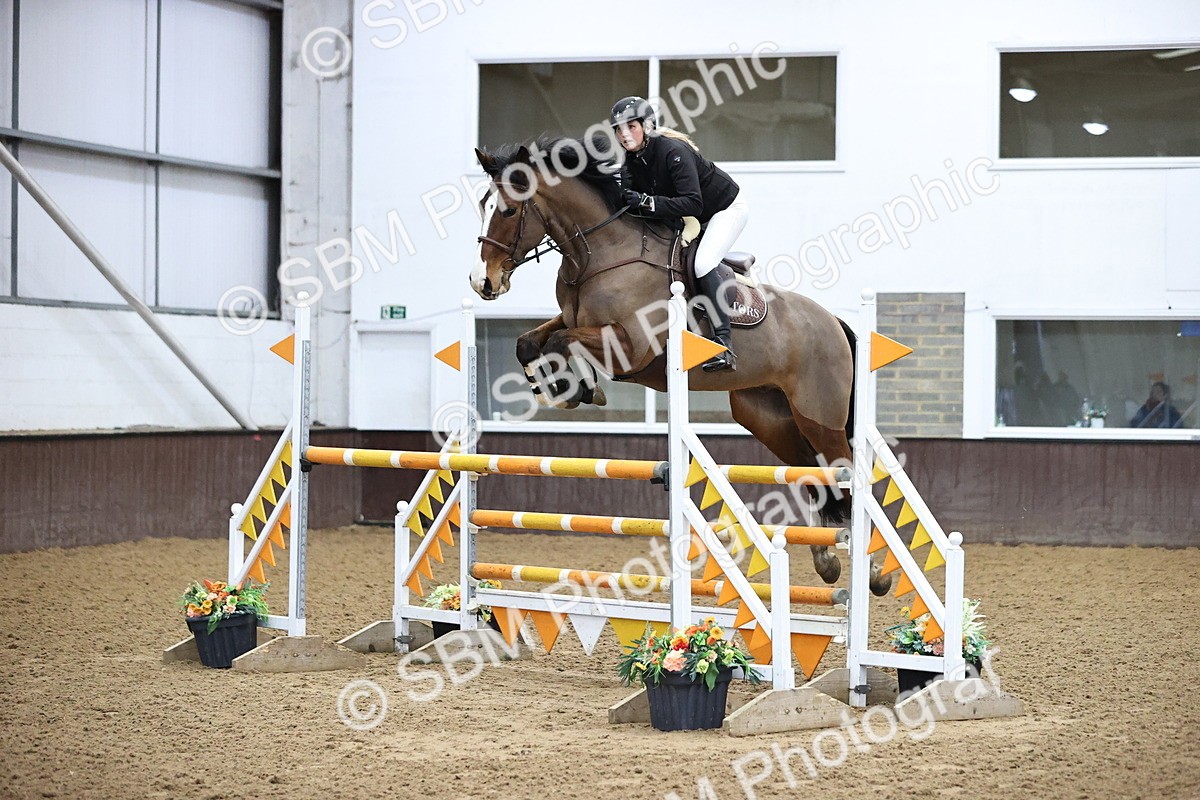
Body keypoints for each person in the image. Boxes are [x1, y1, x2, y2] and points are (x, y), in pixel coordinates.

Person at [609, 96, 748, 371]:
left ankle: (723, 345)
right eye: (618, 129)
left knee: (703, 263)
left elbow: (693, 202)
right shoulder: (633, 159)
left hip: (724, 210)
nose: (624, 134)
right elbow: (627, 200)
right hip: (689, 217)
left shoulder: (673, 151)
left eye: (630, 127)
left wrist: (648, 202)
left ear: (647, 126)